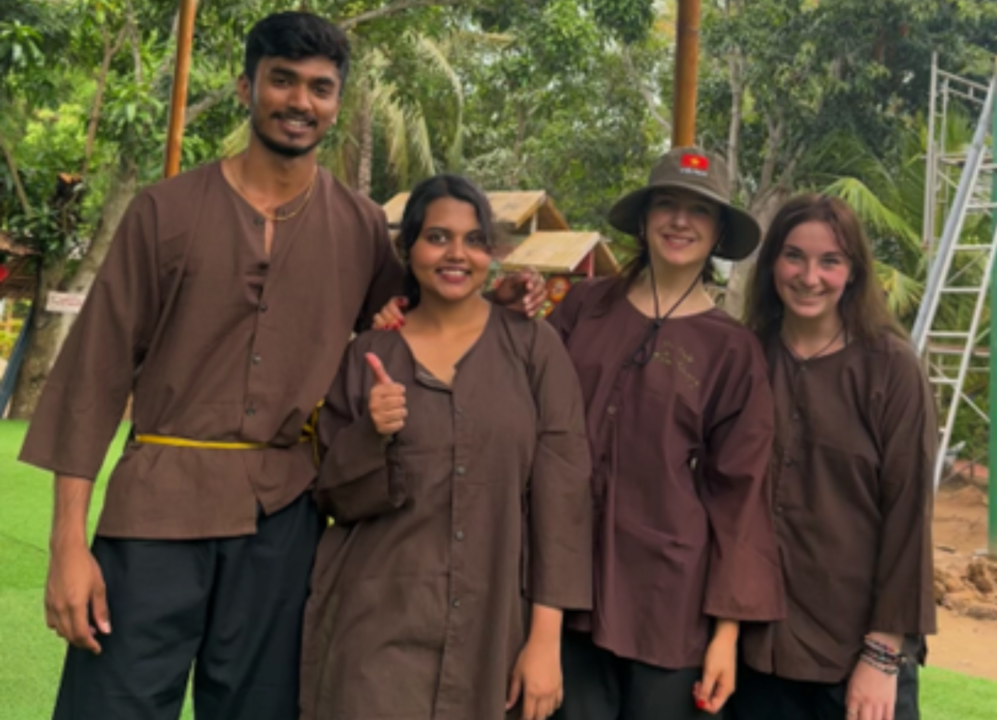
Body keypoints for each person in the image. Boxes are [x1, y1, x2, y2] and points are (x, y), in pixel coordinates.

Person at [19, 12, 542, 720]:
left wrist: (496, 291)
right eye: (283, 81)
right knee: (113, 706)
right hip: (156, 514)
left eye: (321, 88)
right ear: (246, 87)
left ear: (336, 104)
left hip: (284, 519)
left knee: (262, 709)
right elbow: (94, 378)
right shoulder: (163, 213)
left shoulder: (357, 226)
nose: (301, 101)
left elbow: (418, 308)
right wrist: (66, 547)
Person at [374, 147, 786, 719]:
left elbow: (740, 497)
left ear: (718, 231)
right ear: (643, 219)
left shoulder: (732, 350)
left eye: (700, 210)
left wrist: (727, 635)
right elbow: (496, 368)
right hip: (558, 593)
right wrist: (415, 314)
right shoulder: (579, 309)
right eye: (666, 204)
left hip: (668, 603)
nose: (680, 221)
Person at [299, 174, 592, 720]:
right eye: (438, 238)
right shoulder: (372, 350)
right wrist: (371, 433)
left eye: (475, 240)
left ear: (492, 255)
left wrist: (546, 640)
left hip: (491, 633)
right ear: (407, 250)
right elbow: (331, 496)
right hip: (376, 629)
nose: (457, 254)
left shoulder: (531, 346)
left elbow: (563, 495)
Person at [728, 194, 937, 720]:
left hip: (855, 661)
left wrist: (883, 653)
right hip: (755, 657)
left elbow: (909, 517)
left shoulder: (891, 370)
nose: (809, 276)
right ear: (772, 261)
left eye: (831, 261)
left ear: (854, 273)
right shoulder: (745, 358)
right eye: (794, 256)